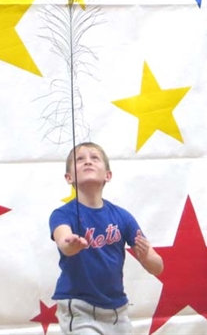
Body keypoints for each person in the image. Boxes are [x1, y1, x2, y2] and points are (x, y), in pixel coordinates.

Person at [49, 142, 164, 334]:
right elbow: (64, 242)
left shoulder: (122, 217)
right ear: (69, 178)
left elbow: (158, 267)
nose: (87, 162)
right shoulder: (62, 214)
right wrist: (71, 244)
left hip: (118, 313)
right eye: (80, 159)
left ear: (108, 175)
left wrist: (145, 257)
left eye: (94, 158)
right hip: (79, 310)